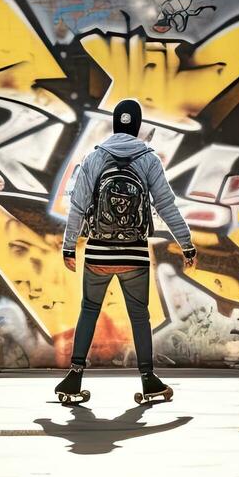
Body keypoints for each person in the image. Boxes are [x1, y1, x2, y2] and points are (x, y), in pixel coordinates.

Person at [56, 99, 195, 405]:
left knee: (89, 311)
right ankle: (149, 381)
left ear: (116, 125)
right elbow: (166, 206)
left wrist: (69, 247)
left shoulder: (95, 158)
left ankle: (74, 377)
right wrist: (187, 244)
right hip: (134, 255)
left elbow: (78, 206)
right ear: (136, 127)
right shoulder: (149, 160)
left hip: (98, 253)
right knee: (139, 317)